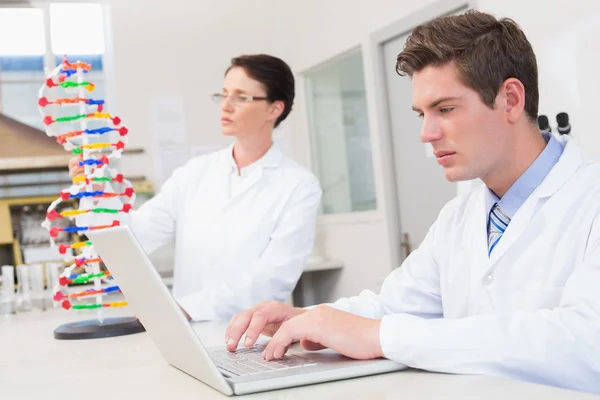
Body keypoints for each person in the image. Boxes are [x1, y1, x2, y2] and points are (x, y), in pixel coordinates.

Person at [224, 11, 600, 394]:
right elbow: (393, 306)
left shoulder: (591, 200)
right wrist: (306, 318)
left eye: (446, 109)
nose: (426, 133)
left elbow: (587, 343)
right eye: (422, 113)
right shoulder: (459, 216)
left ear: (510, 99)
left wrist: (382, 336)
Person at [69, 54, 322, 322]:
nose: (225, 106)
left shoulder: (298, 186)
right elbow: (135, 237)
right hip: (187, 335)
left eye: (240, 97)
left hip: (253, 337)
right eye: (224, 94)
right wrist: (97, 190)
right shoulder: (194, 173)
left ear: (274, 109)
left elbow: (273, 279)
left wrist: (188, 309)